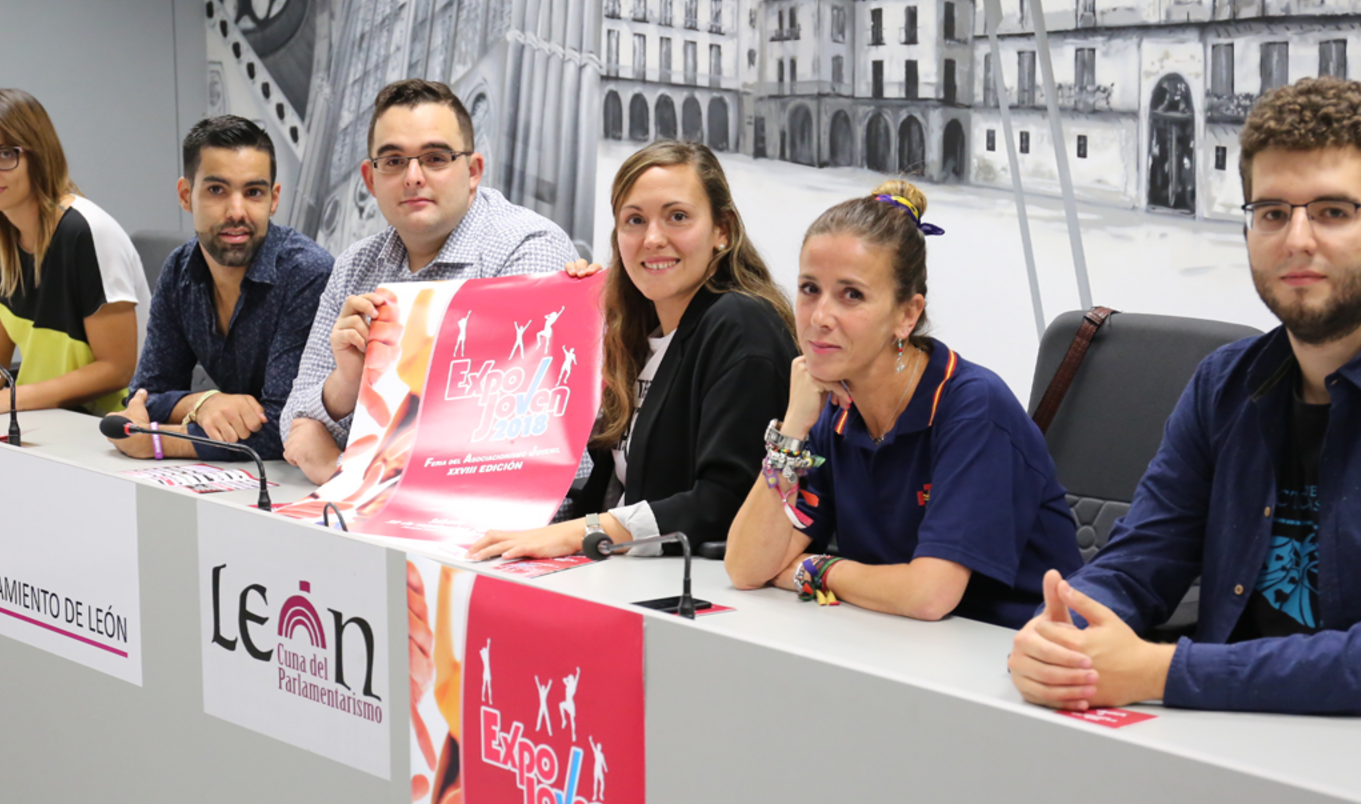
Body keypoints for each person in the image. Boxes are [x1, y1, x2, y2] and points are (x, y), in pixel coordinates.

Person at [1007, 77, 1361, 730]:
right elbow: (1139, 564)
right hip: (1229, 736)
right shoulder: (1224, 385)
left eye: (1332, 212)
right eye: (1273, 212)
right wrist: (1064, 635)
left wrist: (1159, 672)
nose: (1297, 239)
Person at [723, 180, 1082, 625]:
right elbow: (746, 567)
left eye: (851, 295)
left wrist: (815, 568)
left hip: (1018, 652)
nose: (819, 318)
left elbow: (929, 595)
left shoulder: (972, 407)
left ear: (907, 315)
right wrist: (794, 427)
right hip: (899, 645)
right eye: (809, 289)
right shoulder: (831, 409)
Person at [468, 141, 798, 560]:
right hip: (618, 579)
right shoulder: (641, 334)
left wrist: (579, 532)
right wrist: (574, 309)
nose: (653, 238)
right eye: (635, 220)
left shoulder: (740, 323)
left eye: (677, 217)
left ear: (723, 230)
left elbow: (725, 502)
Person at [281, 79, 577, 483]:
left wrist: (342, 469)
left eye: (436, 158)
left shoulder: (527, 250)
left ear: (472, 172)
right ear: (370, 180)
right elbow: (295, 423)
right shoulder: (354, 267)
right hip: (371, 511)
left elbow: (503, 441)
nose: (413, 176)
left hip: (503, 526)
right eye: (393, 161)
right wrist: (347, 382)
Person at [106, 116, 333, 462]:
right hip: (234, 479)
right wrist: (204, 403)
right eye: (216, 190)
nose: (236, 211)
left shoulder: (307, 274)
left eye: (253, 192)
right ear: (186, 195)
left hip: (303, 481)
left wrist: (161, 441)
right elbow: (143, 396)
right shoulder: (179, 270)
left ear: (273, 199)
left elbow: (286, 425)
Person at [0, 88, 140, 420]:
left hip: (111, 423)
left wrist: (9, 399)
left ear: (39, 156)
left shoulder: (86, 233)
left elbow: (116, 369)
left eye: (5, 155)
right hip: (42, 416)